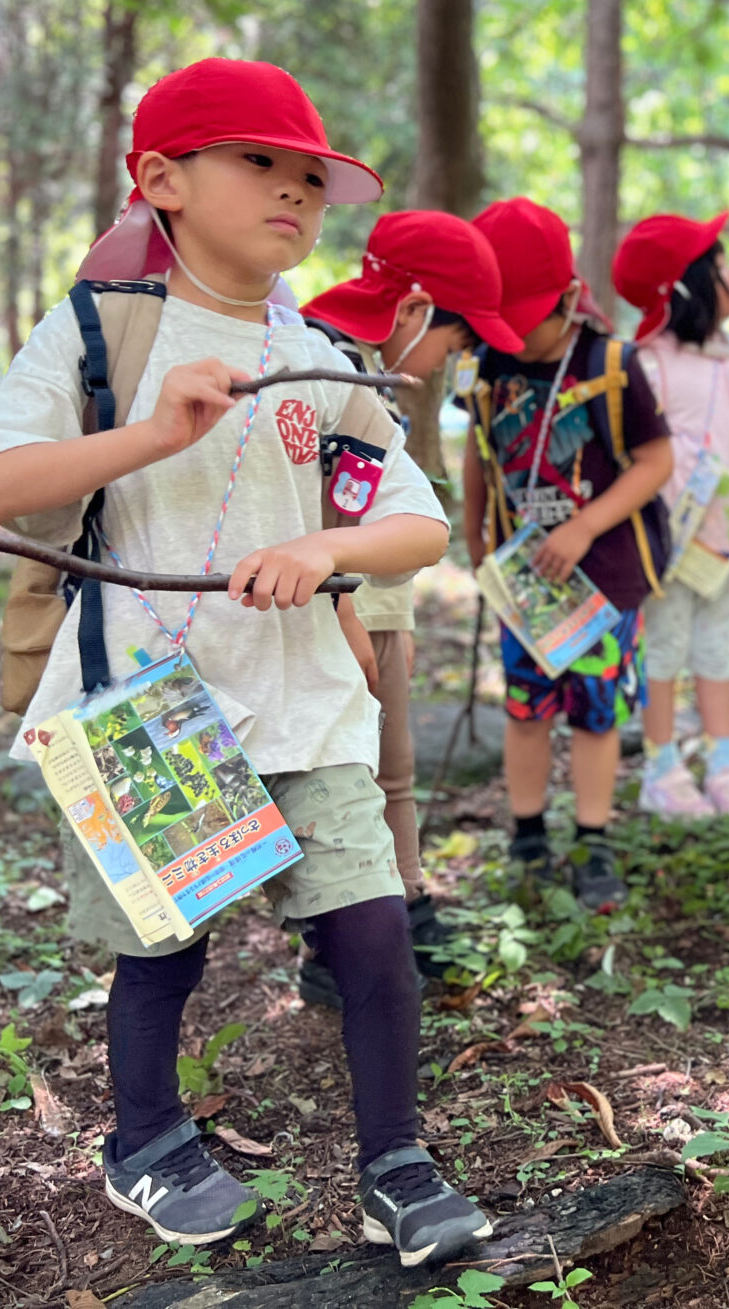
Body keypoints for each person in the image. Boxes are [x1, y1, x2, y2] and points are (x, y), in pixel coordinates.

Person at [0, 59, 490, 1265]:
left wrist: (325, 543)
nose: (294, 194)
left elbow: (414, 524)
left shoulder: (322, 363)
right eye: (259, 164)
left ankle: (396, 1163)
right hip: (152, 705)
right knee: (163, 948)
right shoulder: (100, 331)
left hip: (306, 698)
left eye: (311, 177)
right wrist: (150, 431)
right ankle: (144, 1141)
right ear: (161, 179)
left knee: (371, 937)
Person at [296, 211, 524, 994]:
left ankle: (405, 907)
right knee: (352, 780)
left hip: (373, 607)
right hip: (337, 607)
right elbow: (314, 512)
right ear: (417, 306)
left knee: (390, 774)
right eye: (454, 343)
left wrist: (394, 616)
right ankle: (342, 948)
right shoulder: (327, 360)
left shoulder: (361, 358)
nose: (446, 366)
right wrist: (349, 613)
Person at [464, 198, 673, 908]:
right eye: (502, 323)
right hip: (526, 582)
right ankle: (527, 830)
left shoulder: (612, 363)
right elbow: (479, 450)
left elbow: (655, 460)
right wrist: (472, 530)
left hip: (603, 580)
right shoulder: (489, 364)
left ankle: (592, 835)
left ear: (568, 298)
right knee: (526, 708)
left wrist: (586, 526)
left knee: (594, 711)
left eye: (526, 321)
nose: (515, 338)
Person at [612, 212, 729, 819]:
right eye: (723, 267)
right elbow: (638, 449)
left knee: (718, 648)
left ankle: (725, 763)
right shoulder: (648, 363)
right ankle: (662, 768)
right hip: (673, 539)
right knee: (664, 648)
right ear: (692, 287)